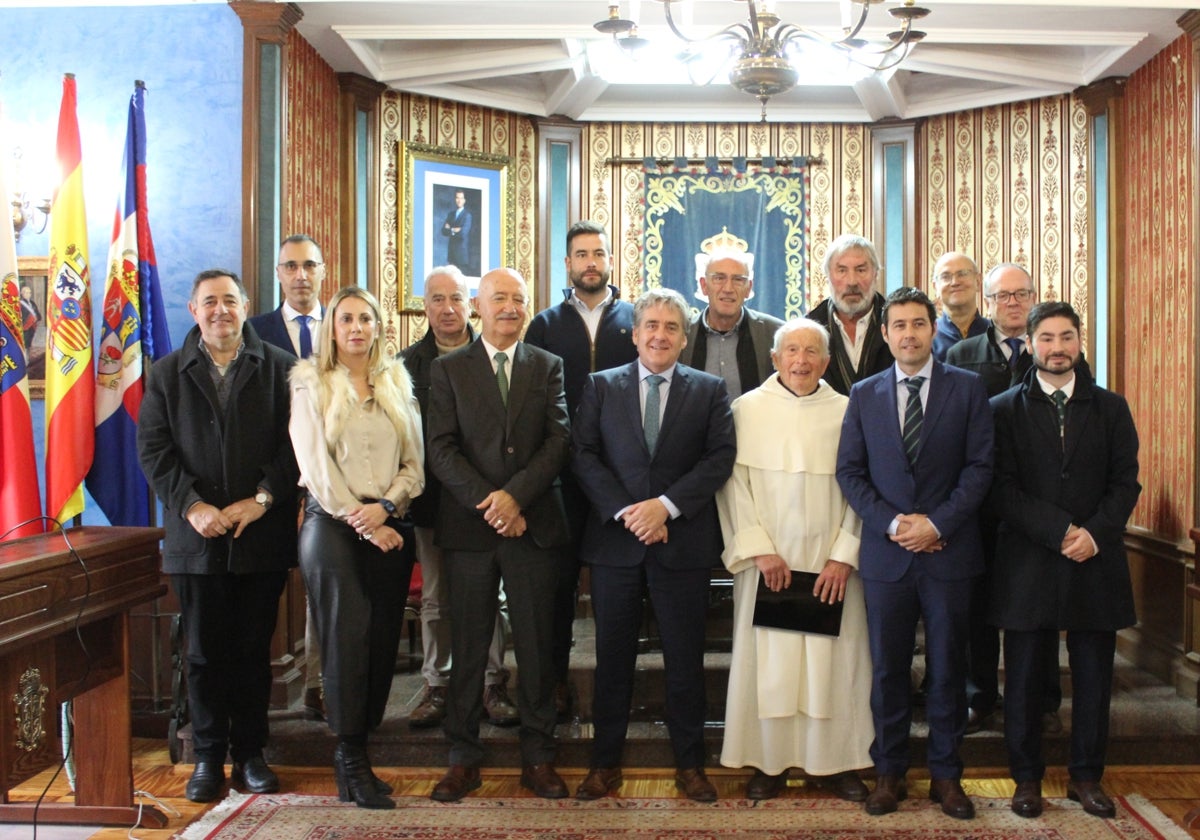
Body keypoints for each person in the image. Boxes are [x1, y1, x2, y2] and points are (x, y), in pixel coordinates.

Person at [138, 269, 299, 803]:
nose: (220, 311)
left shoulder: (281, 369)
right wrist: (193, 505)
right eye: (210, 302)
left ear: (247, 306)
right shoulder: (164, 375)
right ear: (193, 309)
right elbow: (154, 453)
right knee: (204, 654)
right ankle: (208, 757)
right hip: (196, 539)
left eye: (230, 301)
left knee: (254, 651)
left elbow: (295, 449)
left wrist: (260, 500)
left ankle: (251, 754)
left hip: (260, 534)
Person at [571, 288, 736, 803]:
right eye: (651, 326)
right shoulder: (601, 386)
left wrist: (663, 507)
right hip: (615, 544)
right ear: (635, 333)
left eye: (671, 327)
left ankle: (691, 766)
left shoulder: (709, 390)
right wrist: (629, 511)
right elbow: (584, 454)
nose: (660, 335)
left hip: (681, 543)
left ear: (684, 338)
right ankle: (604, 766)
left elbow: (718, 458)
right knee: (613, 658)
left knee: (685, 659)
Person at [835, 286, 993, 820]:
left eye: (918, 324)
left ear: (933, 329)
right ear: (886, 334)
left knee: (948, 669)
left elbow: (980, 470)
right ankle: (889, 772)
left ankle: (947, 778)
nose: (908, 333)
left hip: (950, 554)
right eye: (898, 325)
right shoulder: (864, 394)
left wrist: (938, 523)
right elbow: (850, 474)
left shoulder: (969, 390)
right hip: (887, 556)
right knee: (888, 670)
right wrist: (897, 524)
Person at [989, 301, 1140, 820]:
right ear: (1030, 345)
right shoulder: (1002, 409)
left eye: (1067, 337)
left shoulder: (1111, 408)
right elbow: (1000, 488)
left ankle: (1085, 777)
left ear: (1080, 342)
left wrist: (1093, 534)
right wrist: (1059, 532)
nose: (1058, 347)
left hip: (1095, 562)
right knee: (1026, 680)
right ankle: (1026, 779)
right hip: (1028, 561)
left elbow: (1126, 482)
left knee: (1094, 680)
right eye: (1047, 338)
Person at [426, 267, 571, 802]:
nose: (509, 307)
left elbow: (559, 440)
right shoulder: (448, 370)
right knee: (467, 648)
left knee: (535, 647)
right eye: (498, 298)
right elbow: (440, 448)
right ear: (477, 309)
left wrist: (517, 497)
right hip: (470, 528)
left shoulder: (548, 366)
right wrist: (491, 504)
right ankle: (463, 756)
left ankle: (538, 756)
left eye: (517, 299)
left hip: (533, 524)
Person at [716, 319, 873, 802]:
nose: (801, 361)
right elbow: (732, 485)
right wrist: (760, 548)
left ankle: (837, 762)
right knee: (772, 666)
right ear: (776, 358)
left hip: (831, 568)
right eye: (792, 351)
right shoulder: (747, 410)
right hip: (771, 567)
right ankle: (770, 762)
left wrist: (844, 556)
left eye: (811, 352)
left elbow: (864, 489)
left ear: (826, 363)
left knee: (834, 666)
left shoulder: (849, 411)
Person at [288, 286, 425, 809]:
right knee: (347, 639)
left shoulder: (397, 383)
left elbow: (415, 465)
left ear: (378, 327)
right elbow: (316, 470)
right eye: (346, 319)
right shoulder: (311, 385)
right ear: (332, 328)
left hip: (390, 521)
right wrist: (365, 522)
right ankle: (348, 755)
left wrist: (387, 509)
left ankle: (360, 751)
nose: (356, 328)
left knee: (382, 640)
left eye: (365, 318)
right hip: (334, 526)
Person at [524, 220, 638, 718]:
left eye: (599, 253)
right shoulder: (544, 324)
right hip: (562, 478)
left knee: (628, 586)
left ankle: (629, 687)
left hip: (625, 479)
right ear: (567, 264)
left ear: (611, 260)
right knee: (556, 589)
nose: (590, 262)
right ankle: (555, 684)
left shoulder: (637, 318)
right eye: (581, 254)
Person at [945, 262, 1061, 735]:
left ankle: (1043, 700)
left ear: (1033, 298)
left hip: (1037, 506)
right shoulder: (960, 353)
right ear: (986, 302)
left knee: (1040, 605)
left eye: (1021, 294)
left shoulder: (1055, 351)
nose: (1012, 303)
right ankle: (979, 697)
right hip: (978, 505)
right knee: (978, 605)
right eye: (1002, 296)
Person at [401, 266, 518, 729]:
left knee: (494, 597)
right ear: (424, 306)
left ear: (470, 304)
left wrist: (492, 496)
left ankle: (493, 682)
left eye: (454, 298)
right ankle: (437, 684)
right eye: (436, 299)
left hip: (491, 501)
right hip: (433, 500)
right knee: (435, 597)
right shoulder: (407, 365)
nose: (446, 308)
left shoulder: (489, 352)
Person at [248, 233, 327, 719]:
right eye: (290, 266)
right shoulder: (253, 330)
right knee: (277, 591)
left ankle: (320, 682)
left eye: (309, 266)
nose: (300, 275)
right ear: (278, 273)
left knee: (326, 584)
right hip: (276, 479)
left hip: (330, 478)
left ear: (322, 271)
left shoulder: (343, 325)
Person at [679, 250, 783, 399]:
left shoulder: (775, 334)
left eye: (738, 280)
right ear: (704, 286)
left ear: (748, 288)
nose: (728, 288)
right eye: (719, 278)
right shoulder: (683, 334)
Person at [806, 234, 894, 395]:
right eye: (842, 270)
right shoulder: (808, 330)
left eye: (861, 270)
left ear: (876, 274)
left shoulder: (897, 325)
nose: (852, 281)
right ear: (828, 276)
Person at [930, 252, 987, 361]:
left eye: (962, 274)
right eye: (945, 276)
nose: (955, 282)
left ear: (978, 281)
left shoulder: (995, 334)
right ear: (935, 287)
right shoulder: (928, 337)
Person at [441, 189, 473, 272]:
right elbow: (443, 231)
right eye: (457, 198)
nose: (459, 200)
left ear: (464, 200)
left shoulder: (467, 216)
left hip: (461, 256)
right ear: (455, 199)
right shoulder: (450, 214)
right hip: (451, 255)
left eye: (461, 198)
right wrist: (454, 230)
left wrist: (450, 229)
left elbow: (463, 234)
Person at [19, 283, 40, 349]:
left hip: (32, 325)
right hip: (25, 326)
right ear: (22, 293)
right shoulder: (20, 303)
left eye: (29, 293)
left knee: (30, 341)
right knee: (25, 341)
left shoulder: (32, 303)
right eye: (27, 293)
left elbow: (36, 311)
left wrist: (38, 318)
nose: (29, 294)